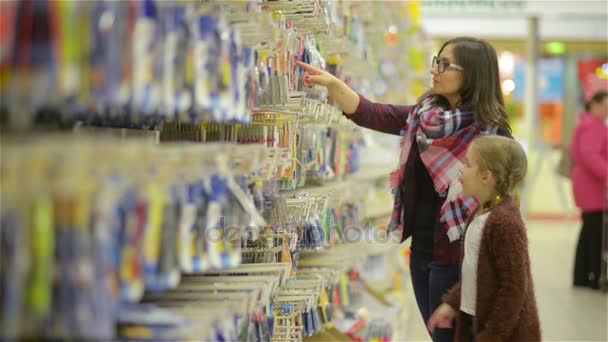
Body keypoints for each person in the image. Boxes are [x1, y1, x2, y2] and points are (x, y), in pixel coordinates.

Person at [297, 37, 512, 341]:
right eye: (436, 61)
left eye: (444, 64)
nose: (434, 70)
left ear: (473, 74)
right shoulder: (424, 117)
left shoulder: (493, 134)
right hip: (422, 251)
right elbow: (374, 113)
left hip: (459, 259)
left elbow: (503, 201)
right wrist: (334, 85)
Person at [427, 135, 541, 342]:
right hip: (476, 320)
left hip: (503, 333)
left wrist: (490, 336)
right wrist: (452, 304)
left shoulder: (505, 223)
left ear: (486, 177)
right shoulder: (480, 214)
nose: (461, 169)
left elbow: (513, 290)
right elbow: (476, 273)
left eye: (468, 164)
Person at [571, 90, 608, 290]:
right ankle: (594, 275)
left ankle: (583, 276)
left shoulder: (589, 124)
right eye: (604, 105)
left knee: (589, 232)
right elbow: (590, 155)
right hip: (592, 187)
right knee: (596, 233)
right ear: (594, 105)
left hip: (589, 184)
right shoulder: (592, 126)